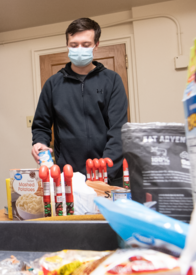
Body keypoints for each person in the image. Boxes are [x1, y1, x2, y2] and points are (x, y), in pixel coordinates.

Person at [31, 18, 128, 185]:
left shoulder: (112, 80)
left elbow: (118, 130)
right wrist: (40, 142)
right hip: (68, 176)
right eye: (74, 45)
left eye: (86, 44)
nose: (79, 49)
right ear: (67, 45)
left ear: (96, 45)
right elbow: (41, 124)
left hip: (108, 176)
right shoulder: (53, 84)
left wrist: (104, 172)